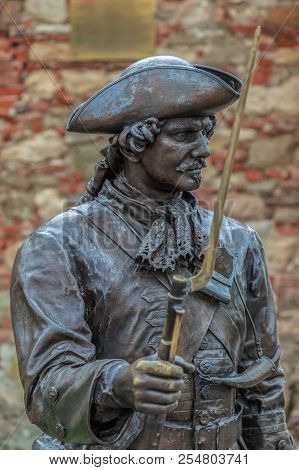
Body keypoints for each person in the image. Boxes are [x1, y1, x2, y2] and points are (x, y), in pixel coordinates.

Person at [11, 56, 293, 450]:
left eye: (205, 134)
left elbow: (262, 376)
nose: (204, 150)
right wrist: (119, 384)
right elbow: (48, 391)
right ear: (134, 143)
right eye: (183, 135)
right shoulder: (58, 244)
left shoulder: (238, 241)